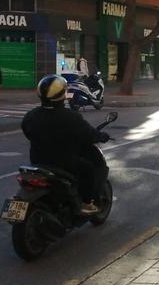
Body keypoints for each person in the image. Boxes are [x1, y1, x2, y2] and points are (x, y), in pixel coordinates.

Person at [21, 75, 110, 215]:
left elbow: (27, 132)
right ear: (62, 95)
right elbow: (88, 134)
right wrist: (102, 136)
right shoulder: (70, 117)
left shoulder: (31, 115)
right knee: (88, 169)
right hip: (64, 163)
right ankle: (86, 202)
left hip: (38, 160)